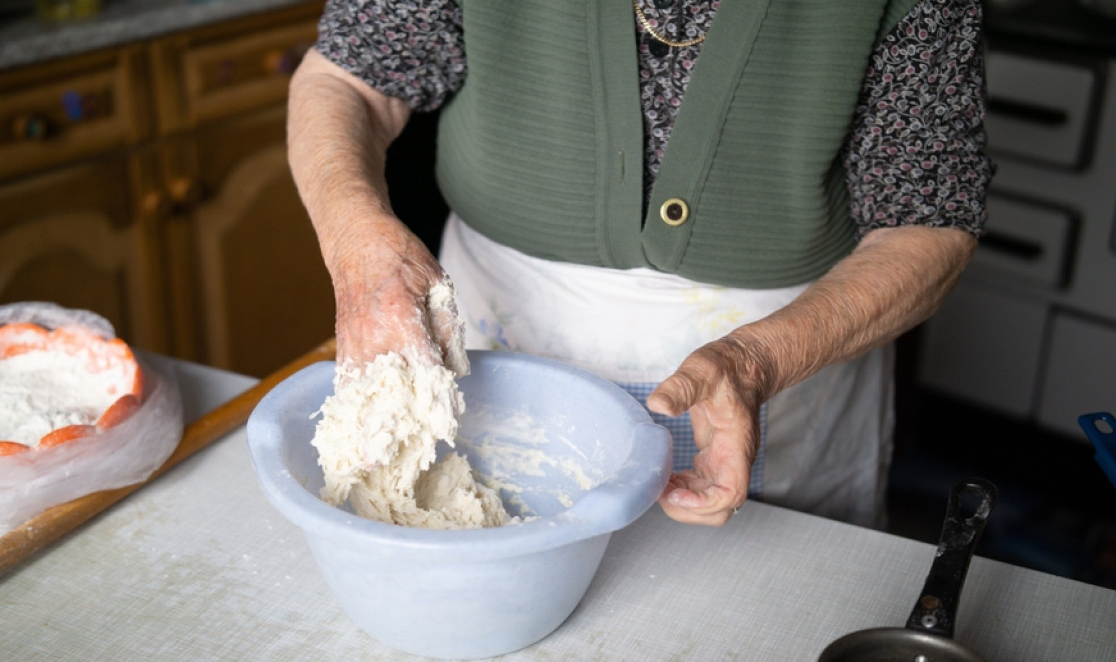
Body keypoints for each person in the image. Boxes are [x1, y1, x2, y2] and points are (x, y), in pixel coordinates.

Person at [286, 0, 992, 529]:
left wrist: (755, 363)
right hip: (498, 332)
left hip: (789, 361)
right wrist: (357, 245)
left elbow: (930, 225)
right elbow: (348, 81)